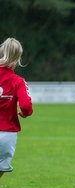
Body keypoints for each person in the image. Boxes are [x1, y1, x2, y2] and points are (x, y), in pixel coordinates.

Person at [0, 38, 33, 179]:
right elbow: (26, 106)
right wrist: (25, 113)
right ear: (18, 57)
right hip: (7, 133)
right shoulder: (18, 81)